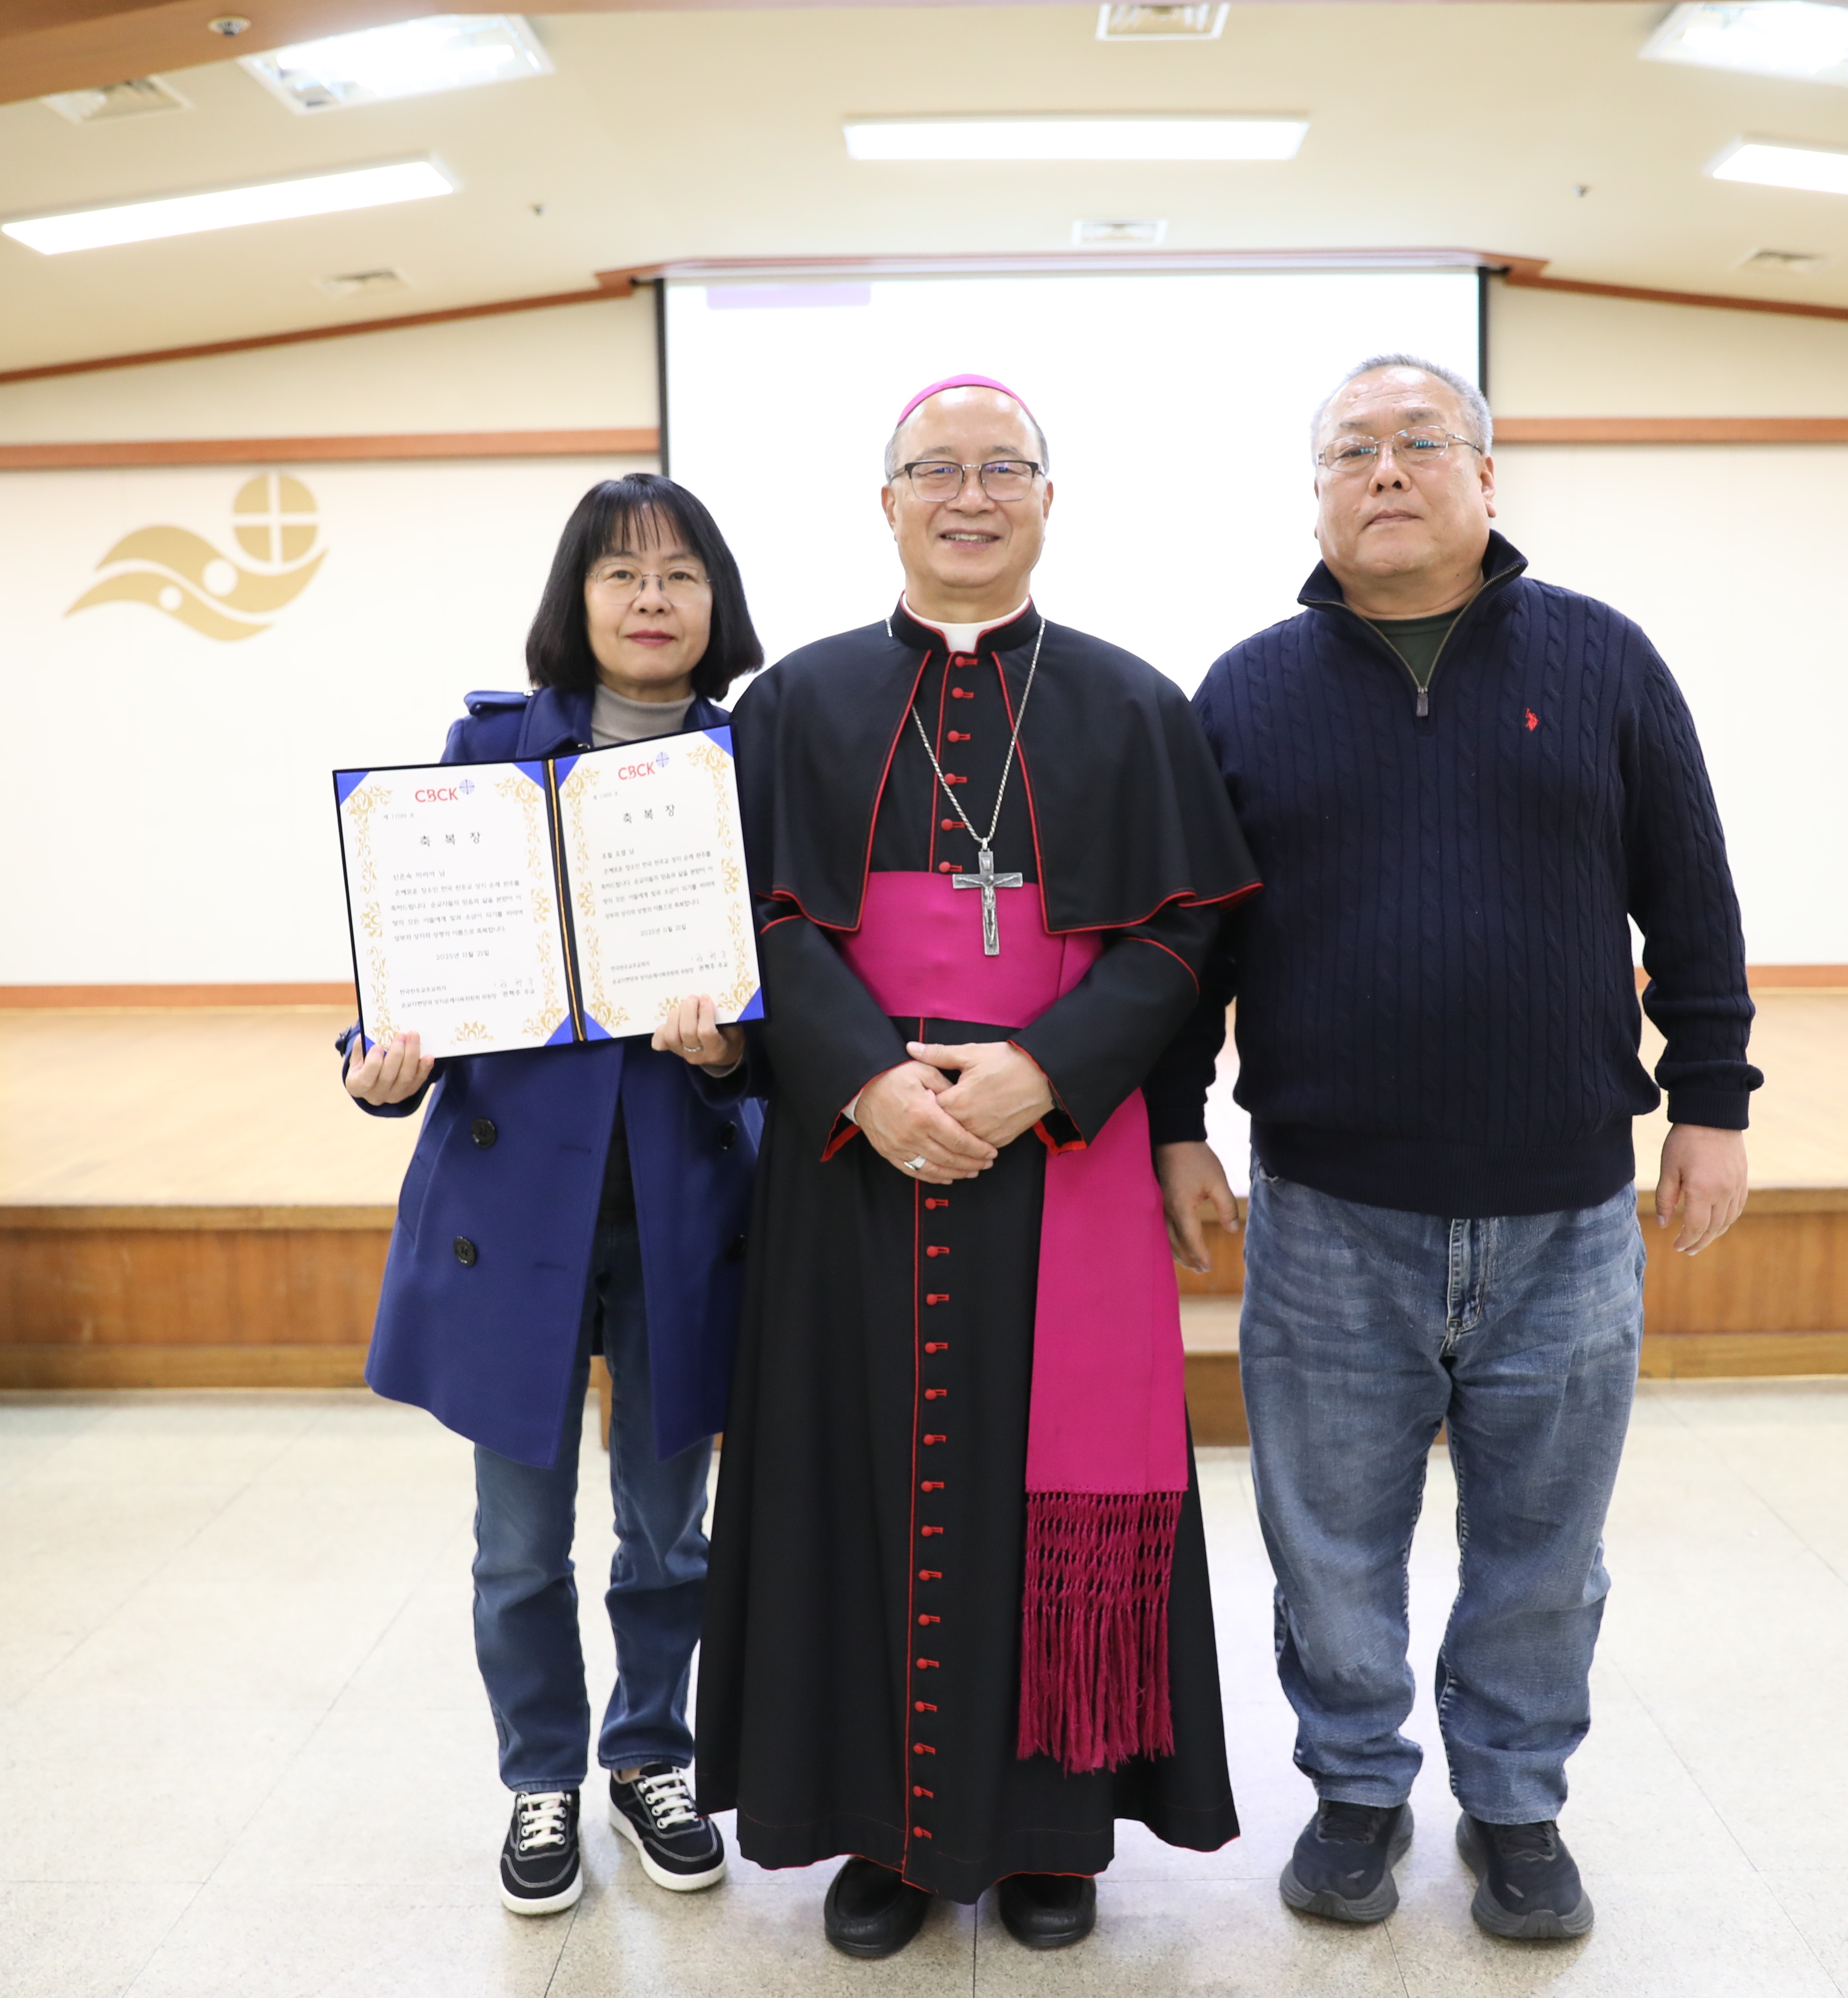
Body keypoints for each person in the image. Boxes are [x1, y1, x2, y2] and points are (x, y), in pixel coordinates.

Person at [1147, 354, 1760, 1941]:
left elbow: (1689, 894)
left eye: (1424, 440)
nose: (1389, 470)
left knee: (1544, 1551)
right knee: (1326, 1542)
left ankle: (1515, 1807)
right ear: (1321, 496)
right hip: (1328, 1211)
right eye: (1353, 449)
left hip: (1563, 1206)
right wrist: (1168, 1127)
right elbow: (1190, 950)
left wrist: (1715, 1101)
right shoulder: (1247, 689)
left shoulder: (1605, 661)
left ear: (1490, 479)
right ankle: (1357, 1790)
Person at [691, 376, 1261, 1957]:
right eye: (934, 469)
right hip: (853, 1154)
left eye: (1001, 468)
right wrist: (868, 1080)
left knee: (1044, 1485)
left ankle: (1051, 1832)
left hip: (1053, 1156)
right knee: (852, 1474)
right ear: (886, 504)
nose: (968, 494)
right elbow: (763, 919)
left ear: (1046, 501)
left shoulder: (1133, 704)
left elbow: (1182, 929)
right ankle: (884, 1834)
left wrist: (1045, 1075)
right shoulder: (794, 705)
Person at [338, 473, 765, 1918]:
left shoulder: (749, 767)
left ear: (719, 605)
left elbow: (789, 1006)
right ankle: (541, 1776)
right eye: (621, 574)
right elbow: (413, 969)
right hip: (513, 1209)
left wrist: (733, 1057)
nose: (652, 599)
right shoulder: (486, 748)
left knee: (668, 1531)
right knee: (516, 1544)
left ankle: (652, 1753)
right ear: (574, 603)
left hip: (681, 1200)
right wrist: (377, 1063)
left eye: (680, 575)